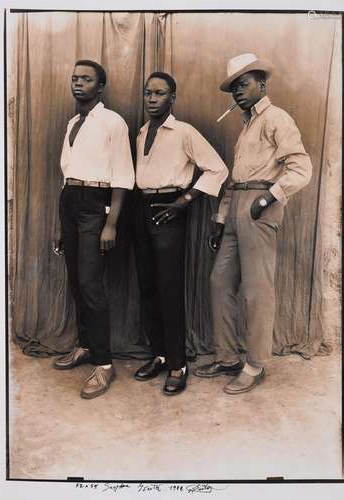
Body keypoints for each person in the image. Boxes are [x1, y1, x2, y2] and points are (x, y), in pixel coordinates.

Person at [194, 53, 312, 394]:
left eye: (243, 85)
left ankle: (255, 364)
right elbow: (235, 181)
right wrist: (220, 219)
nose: (238, 92)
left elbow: (301, 168)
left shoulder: (277, 118)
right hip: (236, 207)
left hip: (261, 206)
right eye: (233, 88)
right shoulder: (246, 128)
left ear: (262, 84)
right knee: (219, 281)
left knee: (257, 289)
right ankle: (228, 356)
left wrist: (269, 198)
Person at [133, 71, 228, 396]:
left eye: (159, 93)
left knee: (169, 288)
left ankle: (178, 363)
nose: (152, 99)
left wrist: (183, 201)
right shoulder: (142, 131)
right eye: (148, 93)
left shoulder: (184, 131)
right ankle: (159, 354)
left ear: (172, 98)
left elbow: (218, 168)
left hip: (168, 210)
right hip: (140, 209)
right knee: (147, 286)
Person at [52, 60, 135, 399]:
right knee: (75, 279)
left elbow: (122, 176)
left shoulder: (112, 122)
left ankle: (103, 364)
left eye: (86, 79)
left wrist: (110, 223)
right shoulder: (74, 121)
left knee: (90, 282)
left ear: (100, 87)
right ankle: (85, 345)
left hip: (96, 203)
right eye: (74, 78)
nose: (78, 83)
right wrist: (61, 224)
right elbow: (66, 173)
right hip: (70, 199)